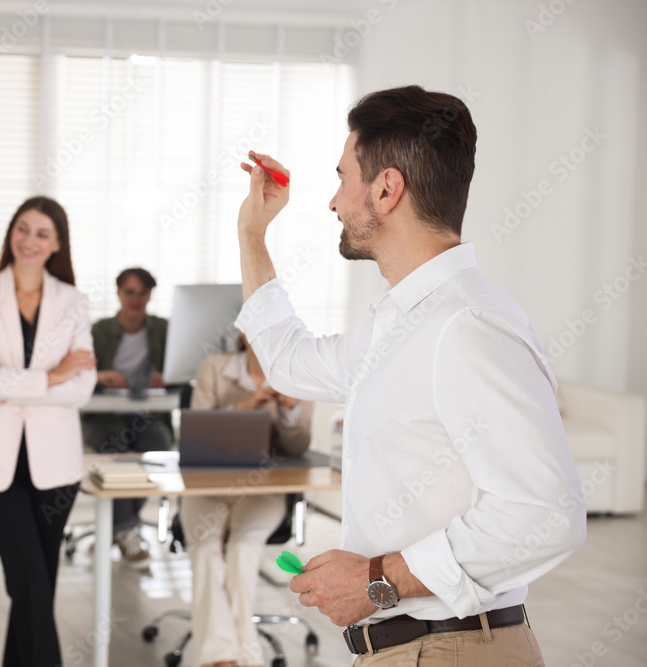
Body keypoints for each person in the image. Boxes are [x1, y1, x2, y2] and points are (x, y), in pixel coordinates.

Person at [234, 86, 586, 665]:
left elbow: (547, 514)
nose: (333, 202)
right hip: (410, 649)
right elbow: (288, 362)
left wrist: (378, 579)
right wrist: (253, 234)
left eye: (343, 177)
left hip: (452, 650)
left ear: (387, 189)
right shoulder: (398, 326)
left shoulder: (467, 325)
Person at [0, 196, 97, 667]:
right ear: (11, 232)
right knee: (30, 581)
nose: (29, 241)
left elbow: (83, 387)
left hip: (56, 470)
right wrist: (52, 375)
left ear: (57, 245)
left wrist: (9, 381)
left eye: (42, 233)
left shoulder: (73, 302)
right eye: (22, 228)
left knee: (36, 587)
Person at [181, 334, 314, 667]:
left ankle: (240, 656)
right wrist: (245, 408)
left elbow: (298, 447)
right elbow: (197, 430)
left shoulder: (295, 374)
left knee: (243, 546)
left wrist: (290, 410)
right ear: (244, 333)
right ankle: (226, 658)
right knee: (205, 546)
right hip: (206, 485)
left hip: (263, 488)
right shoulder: (215, 368)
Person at [81, 267, 174, 565]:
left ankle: (118, 528)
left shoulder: (163, 329)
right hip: (104, 415)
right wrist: (100, 375)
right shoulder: (99, 330)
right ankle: (125, 530)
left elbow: (184, 371)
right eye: (129, 292)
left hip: (146, 413)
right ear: (118, 293)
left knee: (155, 445)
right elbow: (78, 372)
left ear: (150, 296)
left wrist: (166, 376)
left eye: (142, 293)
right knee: (116, 448)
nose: (136, 299)